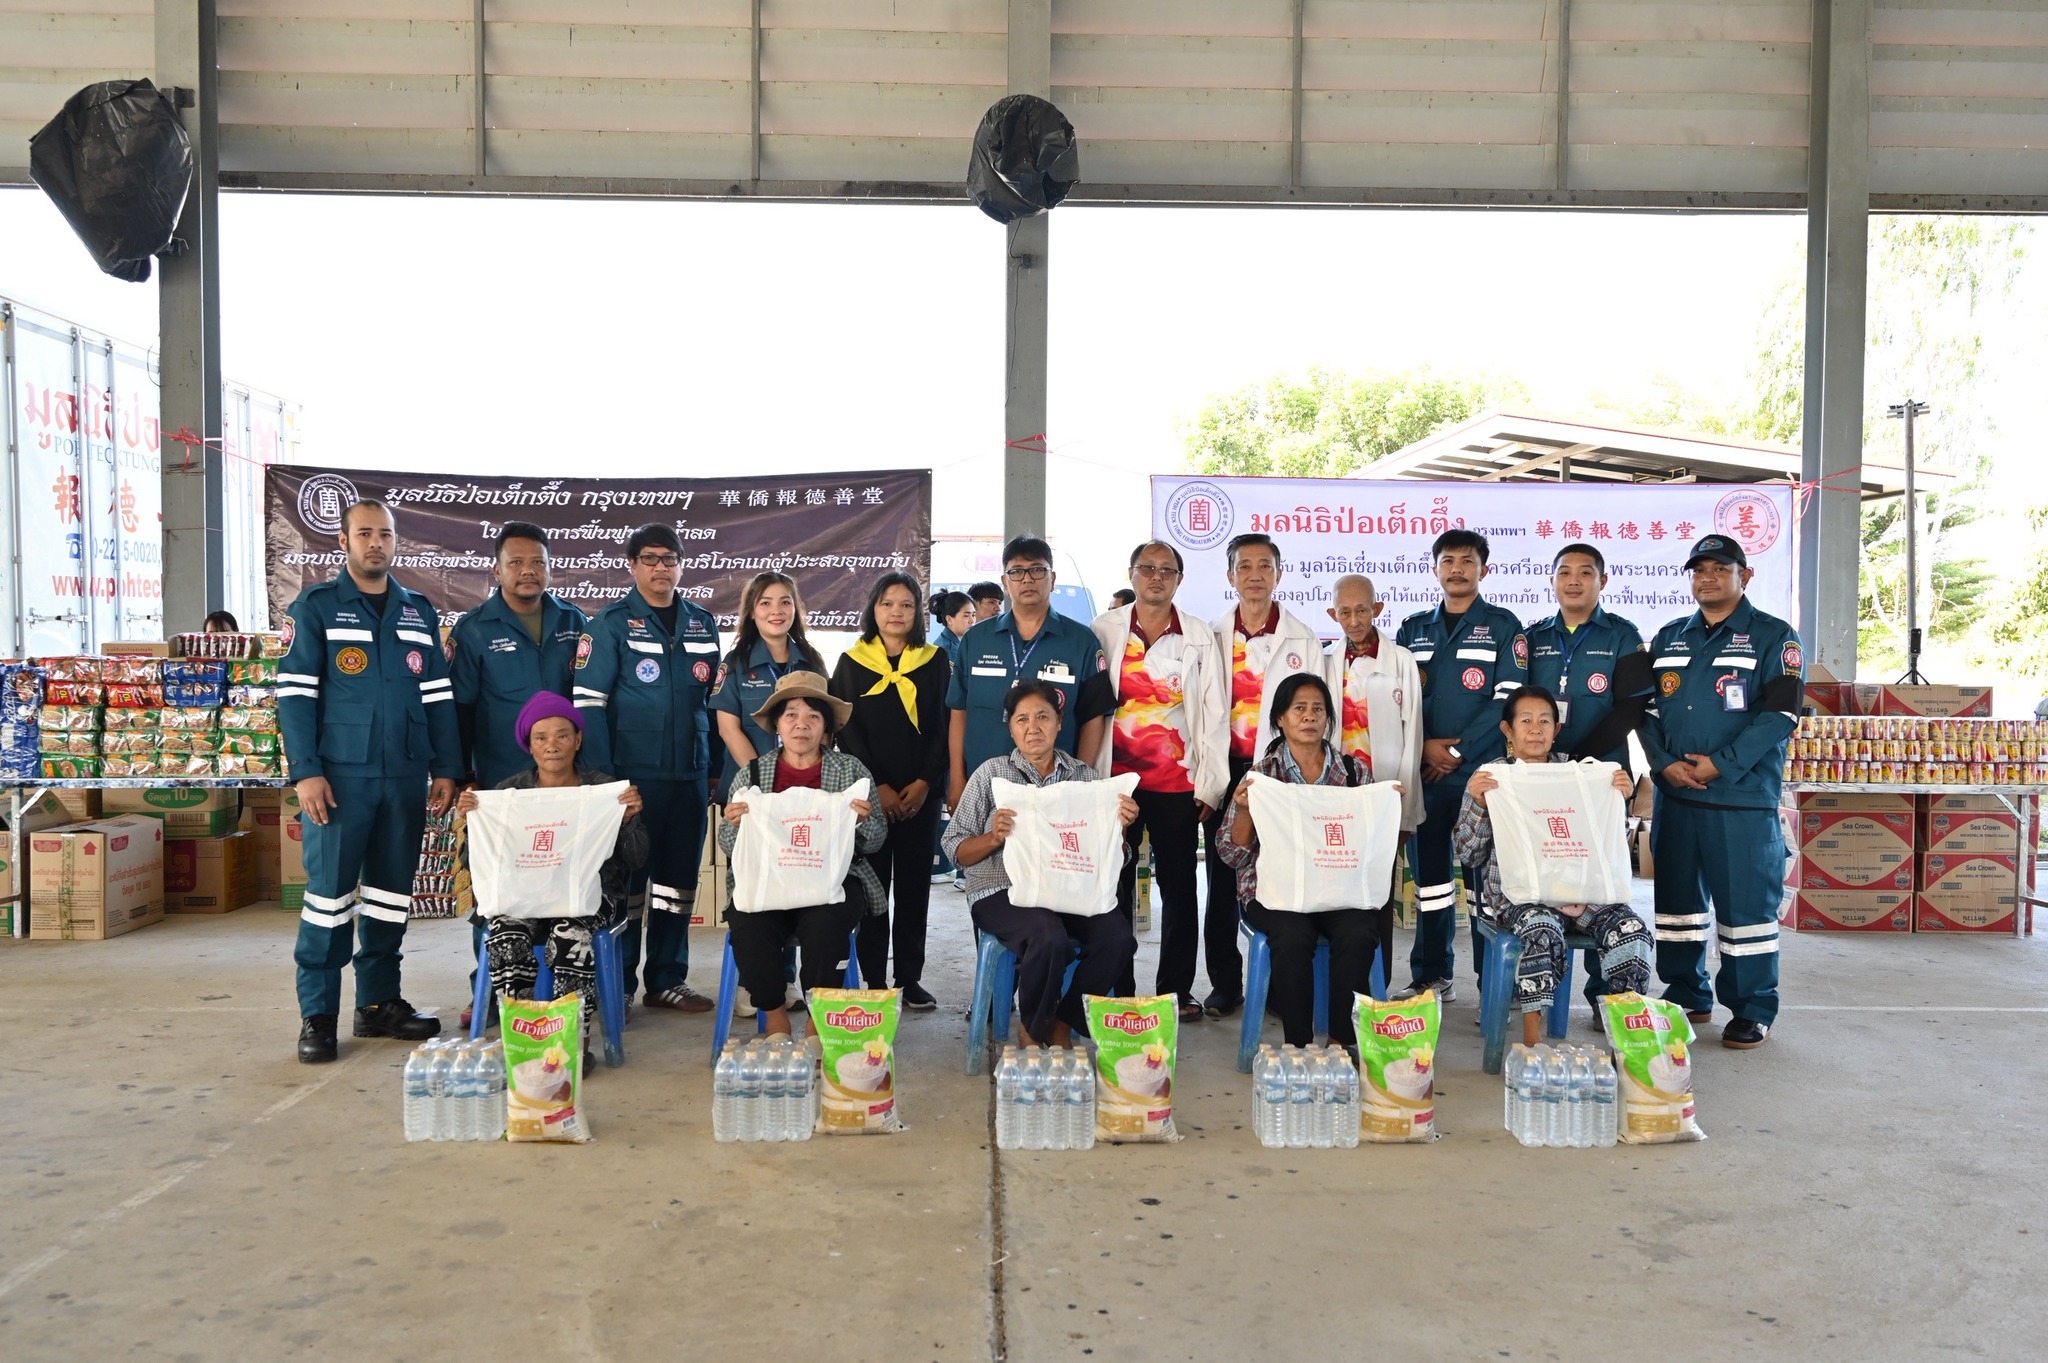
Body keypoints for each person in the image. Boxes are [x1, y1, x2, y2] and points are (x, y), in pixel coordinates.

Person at [278, 500, 460, 1063]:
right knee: (329, 900)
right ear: (344, 541)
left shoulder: (416, 611)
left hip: (404, 774)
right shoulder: (317, 607)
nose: (376, 543)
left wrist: (446, 766)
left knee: (388, 896)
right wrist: (306, 772)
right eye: (364, 533)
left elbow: (438, 696)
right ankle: (318, 1017)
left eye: (385, 534)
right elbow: (295, 696)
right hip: (340, 779)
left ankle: (379, 1004)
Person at [1640, 534, 1803, 1050]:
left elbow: (1781, 714)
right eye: (1699, 570)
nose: (1707, 578)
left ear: (1744, 576)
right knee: (1678, 910)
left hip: (1739, 799)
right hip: (1676, 799)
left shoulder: (1774, 637)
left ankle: (1752, 1008)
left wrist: (1720, 765)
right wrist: (1664, 765)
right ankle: (1686, 993)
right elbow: (1646, 711)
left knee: (1746, 912)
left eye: (1719, 569)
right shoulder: (1670, 637)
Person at [574, 523, 722, 1013]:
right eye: (651, 559)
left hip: (691, 774)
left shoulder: (702, 623)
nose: (662, 567)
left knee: (677, 885)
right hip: (632, 779)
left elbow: (716, 704)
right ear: (633, 565)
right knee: (627, 885)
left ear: (681, 565)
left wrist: (716, 769)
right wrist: (605, 780)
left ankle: (666, 979)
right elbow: (588, 705)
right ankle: (617, 985)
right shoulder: (610, 624)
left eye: (670, 559)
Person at [944, 681, 1139, 1048]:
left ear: (1059, 723)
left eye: (1043, 717)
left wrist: (1120, 828)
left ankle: (1063, 1023)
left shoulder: (1086, 779)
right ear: (1010, 727)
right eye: (1022, 719)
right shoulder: (991, 774)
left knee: (1117, 939)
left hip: (1071, 890)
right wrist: (993, 838)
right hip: (1001, 889)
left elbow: (1115, 857)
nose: (1033, 728)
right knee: (1047, 936)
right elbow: (954, 848)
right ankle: (1033, 1029)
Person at [1453, 686, 1651, 1046]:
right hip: (1522, 898)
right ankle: (1533, 1046)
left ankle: (1630, 1044)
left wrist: (1616, 797)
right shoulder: (1491, 778)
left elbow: (1605, 845)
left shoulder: (1581, 775)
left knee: (1631, 930)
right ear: (1507, 730)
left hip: (1584, 894)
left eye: (1545, 721)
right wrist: (1479, 804)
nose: (1535, 729)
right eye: (1525, 721)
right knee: (1541, 929)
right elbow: (1469, 854)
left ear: (1556, 730)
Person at [448, 520, 589, 1026]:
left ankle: (566, 984)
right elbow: (461, 708)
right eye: (516, 563)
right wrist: (461, 772)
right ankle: (487, 988)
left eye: (537, 563)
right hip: (500, 781)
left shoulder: (574, 622)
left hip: (565, 783)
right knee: (495, 885)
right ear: (497, 569)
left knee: (563, 877)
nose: (528, 571)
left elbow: (589, 698)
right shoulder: (473, 629)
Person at [457, 692, 646, 1053]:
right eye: (541, 737)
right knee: (505, 933)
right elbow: (473, 862)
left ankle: (572, 1041)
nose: (552, 745)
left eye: (562, 735)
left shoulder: (603, 790)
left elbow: (636, 859)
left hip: (587, 899)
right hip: (523, 898)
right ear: (529, 745)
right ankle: (522, 1036)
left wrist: (627, 821)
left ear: (578, 740)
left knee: (569, 935)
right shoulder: (508, 793)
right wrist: (474, 824)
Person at [1090, 539, 1228, 1020]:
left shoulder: (1196, 634)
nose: (1156, 577)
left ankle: (1176, 990)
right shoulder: (1105, 629)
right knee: (1114, 886)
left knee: (1180, 889)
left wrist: (1210, 784)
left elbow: (1214, 714)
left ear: (1179, 579)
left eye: (1166, 570)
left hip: (1177, 784)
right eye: (1147, 568)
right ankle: (1119, 986)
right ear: (1131, 574)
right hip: (1116, 785)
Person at [1215, 673, 1389, 1051]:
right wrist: (1245, 810)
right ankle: (1300, 1047)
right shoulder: (1262, 777)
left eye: (1318, 709)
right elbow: (1232, 855)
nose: (1309, 716)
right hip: (1277, 895)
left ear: (1328, 718)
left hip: (1339, 892)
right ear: (1280, 718)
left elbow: (1372, 846)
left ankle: (1342, 1042)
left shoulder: (1355, 774)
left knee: (1359, 930)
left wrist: (1387, 807)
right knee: (1293, 935)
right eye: (1299, 709)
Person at [1394, 528, 1529, 1003]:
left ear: (1483, 570)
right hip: (1425, 778)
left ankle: (1493, 982)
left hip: (1481, 778)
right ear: (1435, 569)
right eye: (1448, 561)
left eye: (1467, 561)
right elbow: (1398, 699)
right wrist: (1423, 747)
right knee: (1430, 884)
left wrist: (1456, 752)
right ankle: (1432, 975)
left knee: (1486, 887)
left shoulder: (1504, 626)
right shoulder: (1413, 629)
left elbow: (1508, 698)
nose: (1457, 569)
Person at [717, 674, 887, 1036]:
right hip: (767, 881)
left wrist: (860, 822)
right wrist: (735, 825)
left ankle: (816, 1021)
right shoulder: (751, 775)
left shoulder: (851, 772)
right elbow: (728, 846)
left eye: (813, 716)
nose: (801, 724)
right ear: (777, 724)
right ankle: (774, 1015)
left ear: (826, 726)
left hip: (832, 882)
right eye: (791, 714)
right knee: (748, 921)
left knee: (827, 924)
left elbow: (876, 841)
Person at [1523, 541, 1652, 1013]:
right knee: (1547, 870)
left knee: (1600, 880)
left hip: (1601, 779)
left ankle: (1604, 995)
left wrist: (1578, 758)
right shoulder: (1533, 636)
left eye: (1585, 572)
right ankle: (1536, 983)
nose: (1573, 580)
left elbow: (1631, 707)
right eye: (1564, 572)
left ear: (1603, 581)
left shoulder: (1623, 635)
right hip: (1542, 779)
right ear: (1552, 581)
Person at [1200, 532, 1323, 1021]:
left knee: (1276, 873)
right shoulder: (1209, 635)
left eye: (1264, 566)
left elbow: (1315, 712)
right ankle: (1224, 984)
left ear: (1279, 573)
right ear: (1230, 575)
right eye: (1245, 566)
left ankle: (1275, 985)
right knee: (1221, 876)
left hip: (1278, 771)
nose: (1255, 575)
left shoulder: (1302, 638)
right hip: (1224, 767)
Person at [832, 572, 951, 1009]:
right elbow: (847, 731)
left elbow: (944, 726)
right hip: (870, 798)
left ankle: (909, 978)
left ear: (918, 613)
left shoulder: (934, 661)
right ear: (873, 610)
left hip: (921, 795)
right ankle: (874, 979)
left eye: (906, 604)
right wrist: (877, 786)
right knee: (872, 888)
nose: (896, 612)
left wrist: (924, 783)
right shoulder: (851, 663)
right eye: (887, 604)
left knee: (916, 888)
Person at [946, 535, 1114, 813]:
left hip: (1054, 792)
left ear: (1052, 578)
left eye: (1037, 570)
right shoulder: (976, 639)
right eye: (1016, 572)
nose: (1027, 579)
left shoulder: (1081, 641)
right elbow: (958, 711)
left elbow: (1094, 717)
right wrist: (956, 779)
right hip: (983, 787)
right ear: (1005, 581)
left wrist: (1078, 784)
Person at [1321, 572, 1424, 998]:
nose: (1354, 620)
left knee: (1378, 890)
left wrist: (1405, 813)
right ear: (1333, 614)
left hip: (1384, 795)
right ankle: (1336, 986)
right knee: (1337, 885)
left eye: (1362, 610)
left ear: (1377, 609)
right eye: (1345, 612)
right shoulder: (1325, 661)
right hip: (1337, 797)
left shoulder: (1401, 661)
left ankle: (1375, 990)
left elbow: (1412, 735)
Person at [709, 571, 827, 787]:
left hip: (805, 787)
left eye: (785, 602)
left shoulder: (811, 661)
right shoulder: (736, 663)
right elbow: (728, 729)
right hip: (750, 787)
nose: (776, 610)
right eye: (765, 603)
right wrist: (761, 779)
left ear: (795, 609)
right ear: (751, 612)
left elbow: (825, 726)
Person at [932, 589, 975, 662]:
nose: (972, 620)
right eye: (966, 615)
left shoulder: (961, 643)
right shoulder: (946, 649)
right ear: (949, 619)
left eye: (973, 615)